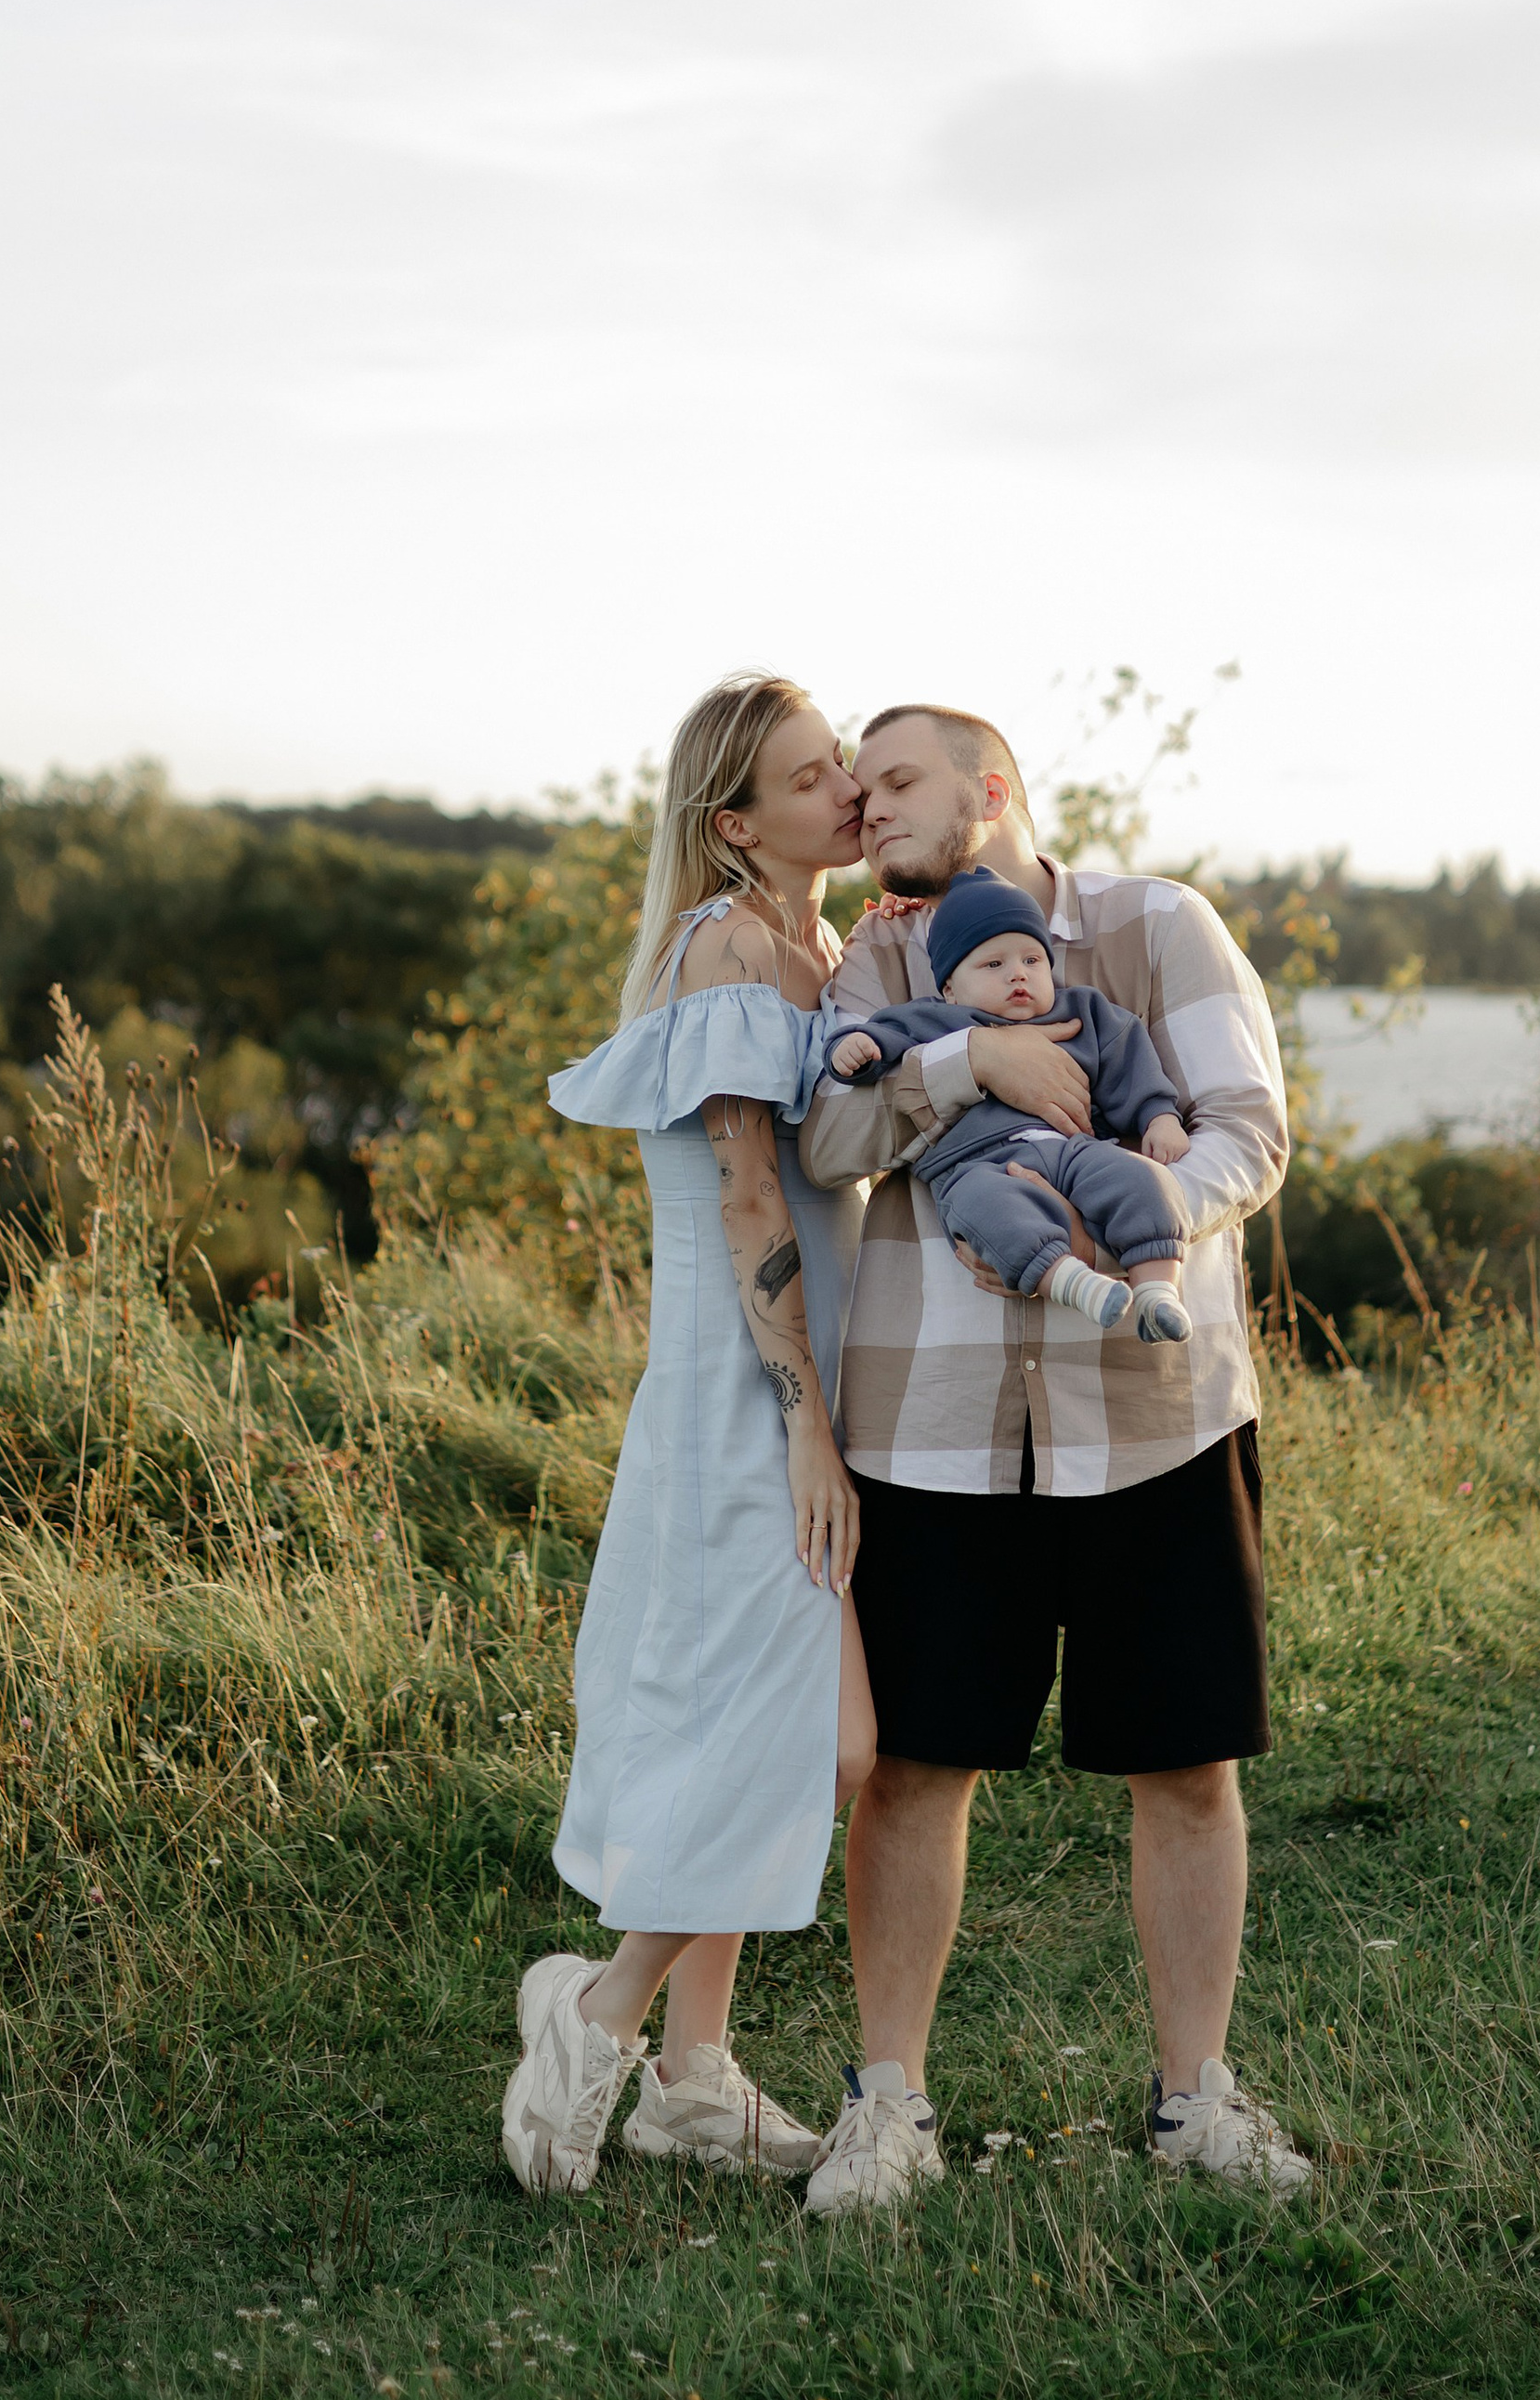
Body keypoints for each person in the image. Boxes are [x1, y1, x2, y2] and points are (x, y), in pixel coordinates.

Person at [795, 701, 1307, 2219]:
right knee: (910, 1772)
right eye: (852, 783)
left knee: (1188, 1763)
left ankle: (1194, 2101)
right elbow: (827, 1141)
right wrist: (977, 1070)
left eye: (896, 781)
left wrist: (1142, 1201)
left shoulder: (1161, 927)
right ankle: (888, 2109)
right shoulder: (873, 964)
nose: (863, 806)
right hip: (934, 1432)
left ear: (991, 786)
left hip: (1158, 1417)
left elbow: (1251, 1131)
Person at [500, 672, 877, 2198]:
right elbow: (747, 1198)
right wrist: (806, 1429)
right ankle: (593, 2016)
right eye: (808, 778)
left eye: (845, 760)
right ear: (735, 823)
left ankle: (693, 2078)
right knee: (821, 1739)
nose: (847, 786)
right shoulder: (727, 950)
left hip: (807, 1394)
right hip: (746, 1399)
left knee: (771, 1726)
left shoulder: (822, 949)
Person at [826, 866, 1195, 1338]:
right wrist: (853, 1047)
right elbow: (882, 1041)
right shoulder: (936, 1020)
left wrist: (1159, 1116)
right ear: (951, 988)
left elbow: (1131, 1063)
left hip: (1077, 1149)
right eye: (993, 965)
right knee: (989, 1210)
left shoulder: (1082, 1013)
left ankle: (1157, 1293)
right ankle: (1075, 1285)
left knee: (1144, 1180)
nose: (1018, 974)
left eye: (1031, 960)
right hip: (976, 1165)